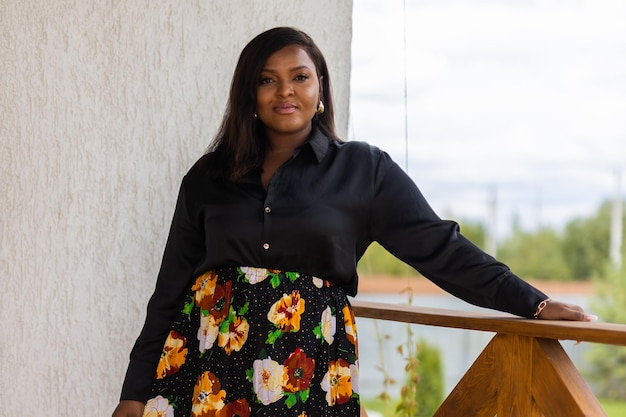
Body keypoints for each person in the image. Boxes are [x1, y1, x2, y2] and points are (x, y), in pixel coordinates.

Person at [112, 26, 596, 417]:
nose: (285, 91)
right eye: (267, 79)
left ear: (320, 86)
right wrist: (133, 394)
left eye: (300, 77)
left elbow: (442, 249)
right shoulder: (207, 177)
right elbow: (169, 292)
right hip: (206, 374)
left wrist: (533, 304)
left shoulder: (364, 170)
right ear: (249, 94)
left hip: (311, 375)